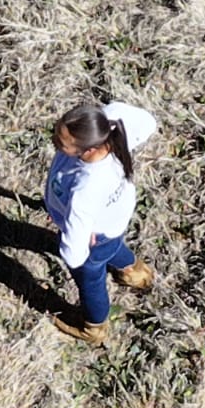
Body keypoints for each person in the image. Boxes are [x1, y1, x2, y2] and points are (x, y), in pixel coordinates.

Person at [44, 99, 158, 344]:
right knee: (111, 247)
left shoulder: (86, 188)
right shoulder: (110, 125)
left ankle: (94, 328)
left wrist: (74, 241)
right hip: (112, 223)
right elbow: (149, 122)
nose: (54, 140)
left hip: (96, 237)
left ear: (89, 149)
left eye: (61, 142)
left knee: (91, 278)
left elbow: (74, 256)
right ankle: (135, 272)